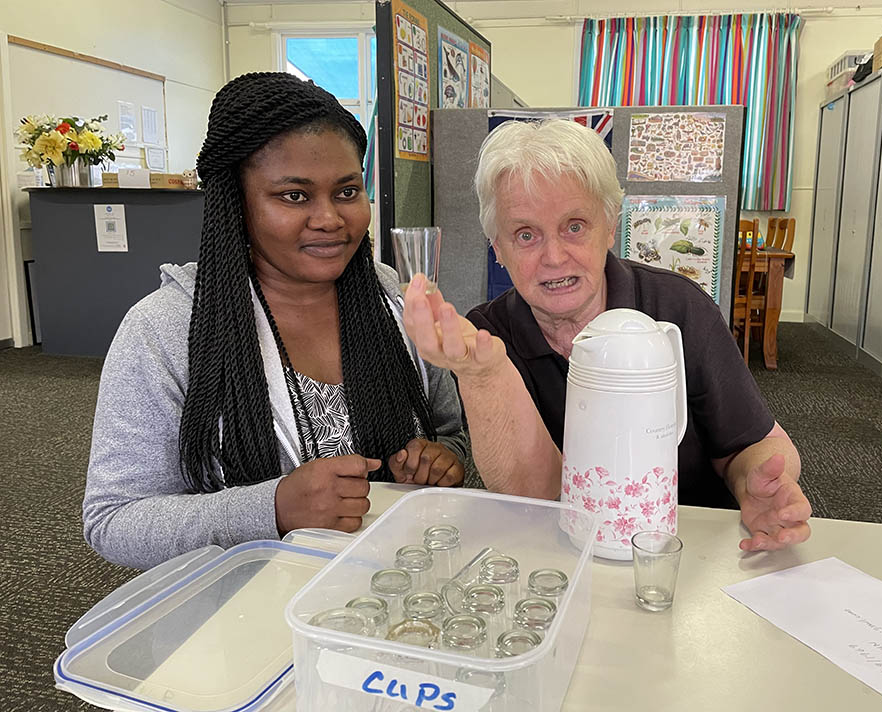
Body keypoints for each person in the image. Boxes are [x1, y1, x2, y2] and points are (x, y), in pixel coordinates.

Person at [85, 73, 468, 570]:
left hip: (397, 589)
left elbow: (451, 433)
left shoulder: (392, 299)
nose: (330, 218)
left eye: (348, 191)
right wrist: (271, 508)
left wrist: (444, 461)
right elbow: (113, 521)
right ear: (237, 203)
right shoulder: (165, 329)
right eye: (294, 196)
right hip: (246, 612)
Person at [403, 118, 811, 552]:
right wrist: (484, 374)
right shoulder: (487, 336)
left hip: (682, 553)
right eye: (526, 235)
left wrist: (760, 485)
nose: (554, 257)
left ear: (610, 226)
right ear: (497, 249)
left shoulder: (678, 308)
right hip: (559, 556)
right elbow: (536, 495)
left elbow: (753, 444)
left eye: (575, 226)